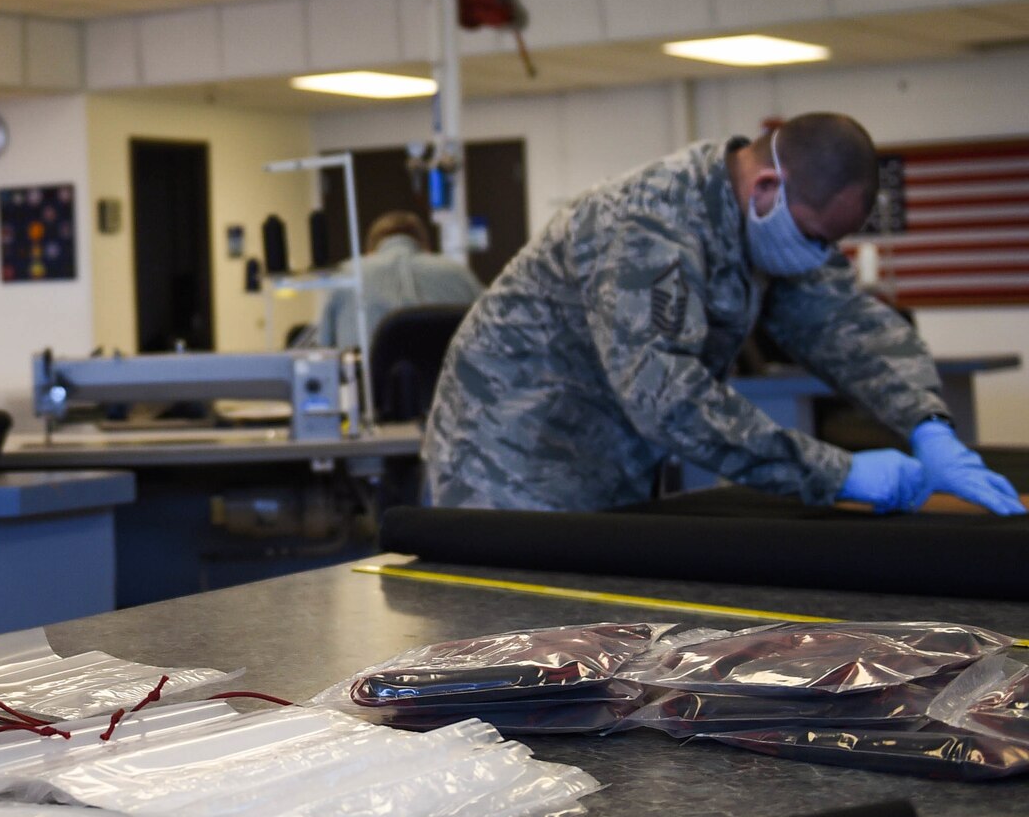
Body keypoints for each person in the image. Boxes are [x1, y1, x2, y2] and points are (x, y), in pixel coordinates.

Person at [424, 114, 1024, 516]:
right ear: (767, 185)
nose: (820, 256)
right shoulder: (651, 222)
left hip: (606, 459)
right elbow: (667, 397)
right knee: (526, 663)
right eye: (816, 236)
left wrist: (928, 424)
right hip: (510, 461)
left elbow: (842, 319)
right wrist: (836, 474)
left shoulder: (772, 220)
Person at [316, 210, 484, 351]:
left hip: (369, 389)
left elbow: (324, 352)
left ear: (370, 253)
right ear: (426, 249)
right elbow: (491, 338)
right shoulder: (459, 273)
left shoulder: (347, 275)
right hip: (449, 387)